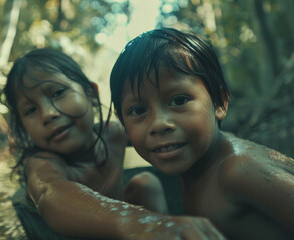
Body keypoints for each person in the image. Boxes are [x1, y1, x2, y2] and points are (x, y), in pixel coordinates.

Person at [4, 48, 225, 239]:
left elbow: (159, 134)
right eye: (30, 110)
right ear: (23, 127)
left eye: (58, 93)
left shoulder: (113, 134)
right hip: (102, 230)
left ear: (91, 94)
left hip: (129, 229)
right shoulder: (43, 163)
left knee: (145, 183)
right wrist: (141, 223)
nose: (48, 114)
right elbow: (50, 195)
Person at [109, 27, 294, 239]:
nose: (159, 124)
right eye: (139, 111)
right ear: (124, 124)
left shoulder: (239, 171)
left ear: (219, 103)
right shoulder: (198, 164)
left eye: (178, 101)